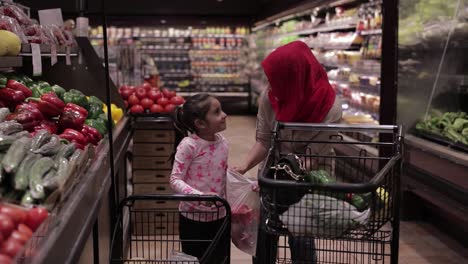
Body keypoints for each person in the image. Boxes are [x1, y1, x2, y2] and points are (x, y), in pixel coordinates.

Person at [234, 41, 342, 264]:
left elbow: (312, 157)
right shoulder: (270, 97)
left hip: (308, 178)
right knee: (264, 234)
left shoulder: (329, 107)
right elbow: (264, 141)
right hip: (275, 174)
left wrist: (285, 176)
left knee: (300, 235)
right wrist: (244, 166)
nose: (271, 85)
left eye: (276, 79)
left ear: (295, 77)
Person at [169, 93, 230, 264]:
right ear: (200, 123)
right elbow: (175, 180)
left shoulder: (223, 143)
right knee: (195, 260)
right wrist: (200, 196)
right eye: (217, 112)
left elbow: (220, 176)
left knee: (220, 259)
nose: (224, 114)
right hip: (192, 219)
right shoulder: (189, 145)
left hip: (221, 216)